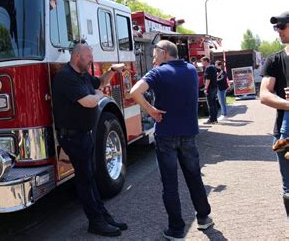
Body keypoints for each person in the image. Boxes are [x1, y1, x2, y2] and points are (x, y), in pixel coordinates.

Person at [130, 40, 213, 240]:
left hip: (166, 134)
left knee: (170, 184)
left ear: (164, 52)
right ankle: (203, 218)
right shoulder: (192, 70)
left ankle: (176, 229)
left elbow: (134, 92)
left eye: (154, 53)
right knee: (194, 177)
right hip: (189, 134)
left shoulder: (158, 73)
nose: (152, 58)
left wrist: (150, 110)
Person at [51, 42, 127, 237]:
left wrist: (111, 70)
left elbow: (100, 83)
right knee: (85, 180)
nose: (91, 59)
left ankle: (103, 216)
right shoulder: (66, 77)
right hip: (73, 137)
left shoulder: (82, 76)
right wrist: (98, 95)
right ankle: (95, 222)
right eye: (89, 57)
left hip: (84, 135)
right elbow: (88, 101)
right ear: (77, 57)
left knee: (90, 176)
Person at [260, 11, 289, 218]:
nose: (278, 31)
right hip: (284, 134)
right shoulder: (275, 61)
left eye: (282, 26)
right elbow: (264, 95)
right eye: (275, 27)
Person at [201, 57, 219, 124]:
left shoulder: (208, 68)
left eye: (202, 61)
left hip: (210, 88)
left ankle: (211, 119)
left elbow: (208, 79)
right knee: (214, 104)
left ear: (206, 61)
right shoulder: (213, 67)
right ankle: (215, 119)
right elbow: (218, 74)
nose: (202, 63)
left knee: (210, 105)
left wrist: (205, 88)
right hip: (214, 87)